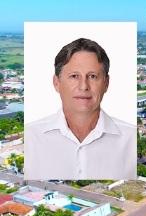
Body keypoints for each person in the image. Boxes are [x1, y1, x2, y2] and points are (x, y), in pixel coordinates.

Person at [24, 38, 136, 180]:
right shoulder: (31, 137)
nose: (84, 86)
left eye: (93, 76)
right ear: (57, 83)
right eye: (74, 76)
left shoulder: (130, 138)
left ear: (106, 83)